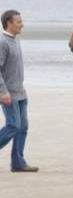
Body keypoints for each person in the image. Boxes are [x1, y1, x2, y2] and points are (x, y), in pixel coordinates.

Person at [0, 10, 38, 172]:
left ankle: (18, 163)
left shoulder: (15, 40)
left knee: (23, 127)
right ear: (9, 23)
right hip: (8, 93)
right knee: (13, 126)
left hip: (20, 92)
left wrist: (21, 89)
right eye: (18, 21)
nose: (22, 24)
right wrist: (3, 91)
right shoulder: (2, 42)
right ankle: (18, 162)